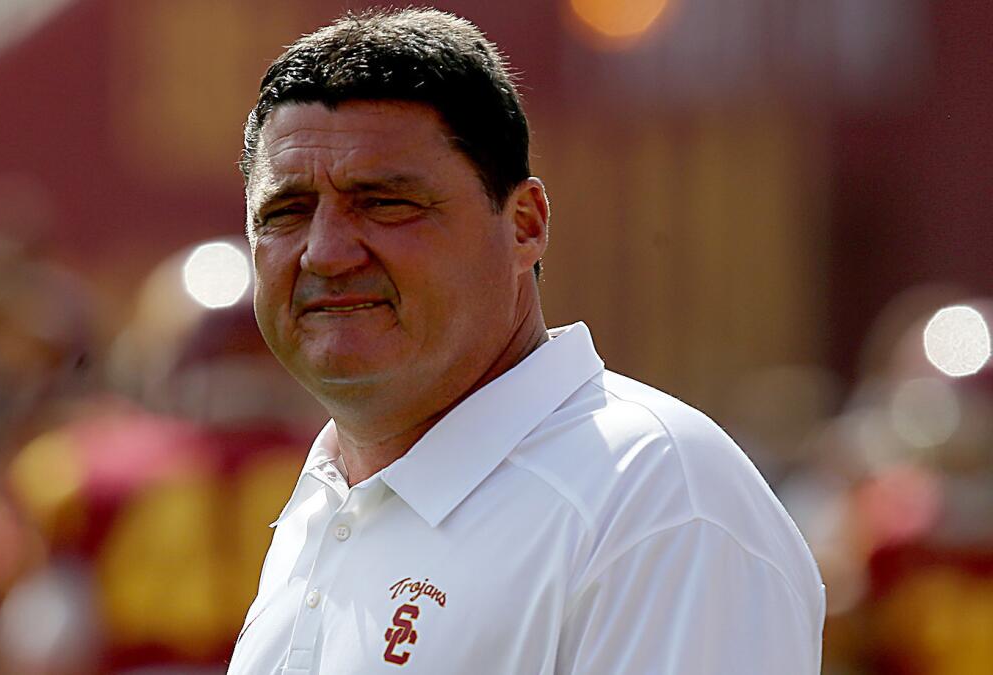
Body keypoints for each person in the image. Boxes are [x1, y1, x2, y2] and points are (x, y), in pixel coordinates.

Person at [229, 8, 824, 674]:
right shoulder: (325, 503)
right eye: (286, 211)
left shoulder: (651, 499)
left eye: (386, 201)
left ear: (525, 225)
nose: (327, 253)